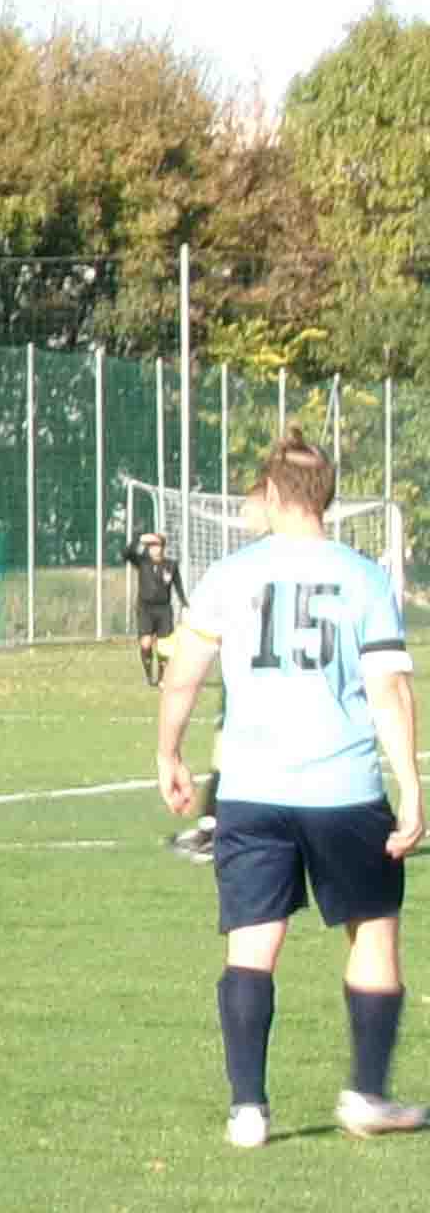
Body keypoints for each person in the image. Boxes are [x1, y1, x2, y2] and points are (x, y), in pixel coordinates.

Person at [152, 434, 423, 1150]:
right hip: (345, 789)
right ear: (327, 498)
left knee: (253, 942)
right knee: (372, 930)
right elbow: (390, 692)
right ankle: (366, 1095)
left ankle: (249, 1109)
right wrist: (411, 787)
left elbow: (183, 674)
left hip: (250, 791)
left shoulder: (231, 575)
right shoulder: (363, 577)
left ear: (271, 496)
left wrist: (169, 752)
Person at [130, 530, 187, 687]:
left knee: (164, 646)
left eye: (158, 545)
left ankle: (162, 677)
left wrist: (185, 604)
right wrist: (140, 538)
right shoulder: (142, 562)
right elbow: (127, 552)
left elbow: (178, 586)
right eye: (152, 546)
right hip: (145, 609)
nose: (155, 549)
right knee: (146, 643)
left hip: (164, 610)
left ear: (163, 547)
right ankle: (149, 676)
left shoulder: (171, 565)